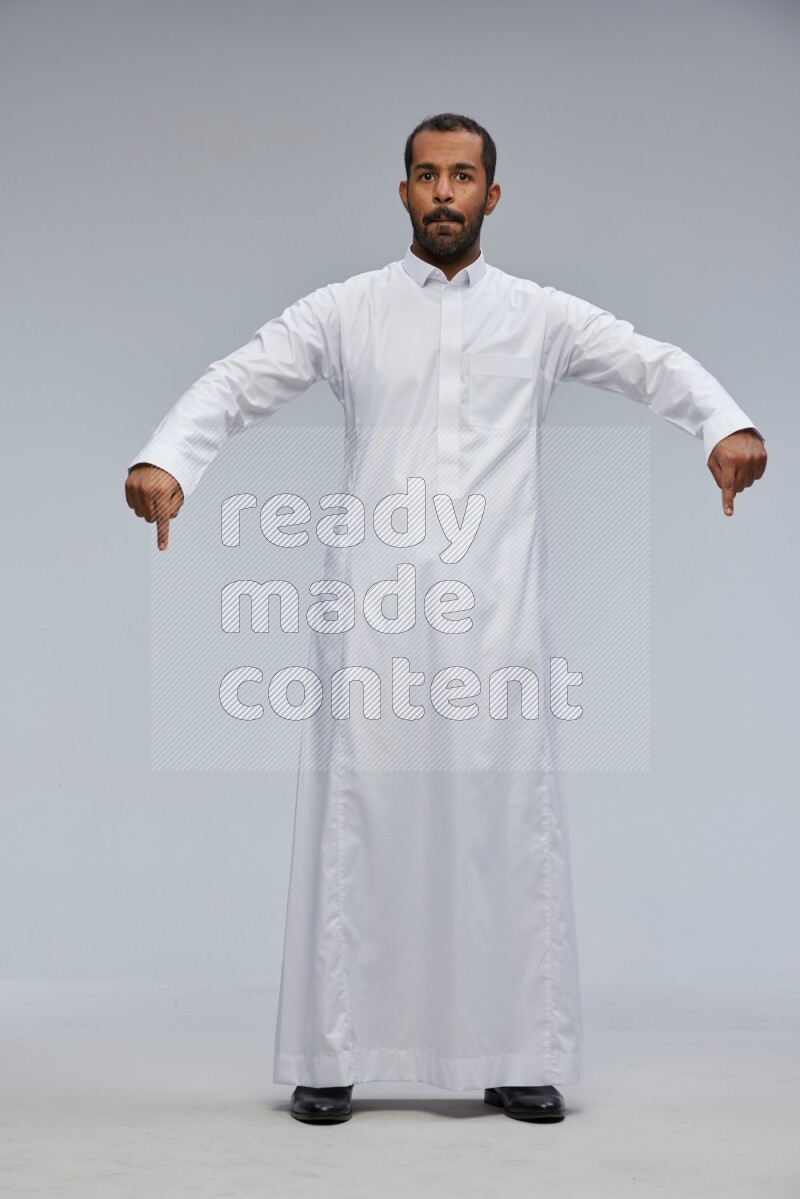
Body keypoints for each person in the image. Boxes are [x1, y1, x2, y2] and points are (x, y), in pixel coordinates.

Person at [125, 113, 767, 1125]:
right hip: (374, 610)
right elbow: (237, 379)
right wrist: (168, 459)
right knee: (360, 822)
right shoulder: (347, 312)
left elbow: (652, 361)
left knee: (505, 827)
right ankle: (331, 1054)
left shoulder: (539, 316)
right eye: (426, 174)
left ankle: (515, 1051)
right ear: (402, 192)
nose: (442, 192)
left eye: (462, 176)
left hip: (496, 616)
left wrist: (723, 423)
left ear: (491, 197)